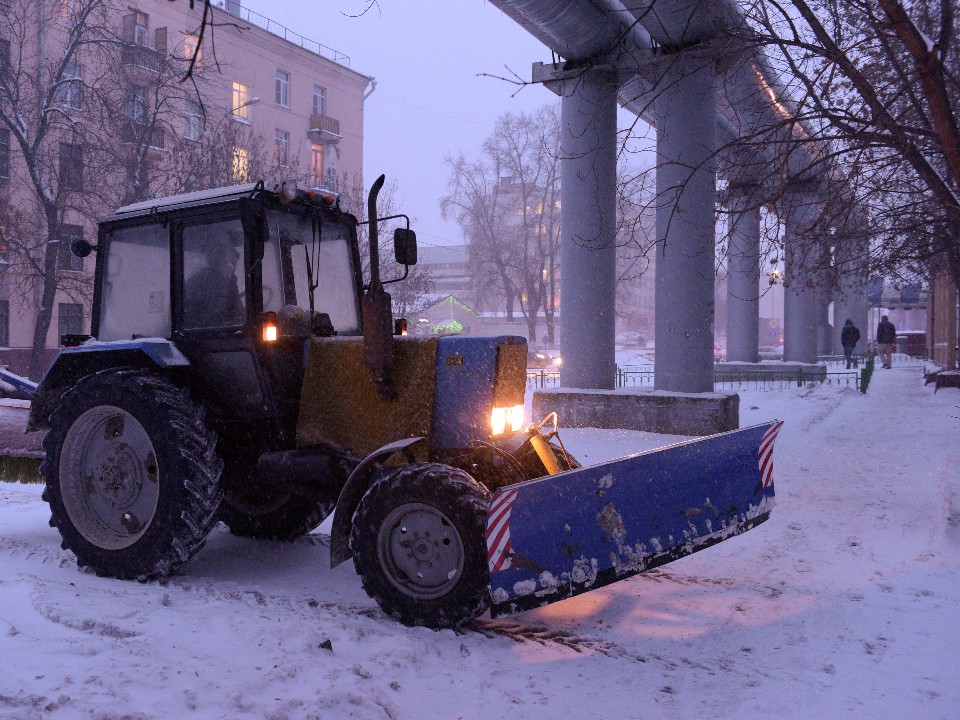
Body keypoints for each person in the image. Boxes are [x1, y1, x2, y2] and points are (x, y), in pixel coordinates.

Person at [184, 236, 243, 328]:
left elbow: (236, 308)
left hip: (223, 332)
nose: (232, 268)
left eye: (234, 264)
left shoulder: (230, 282)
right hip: (203, 334)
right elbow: (195, 313)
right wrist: (221, 322)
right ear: (219, 260)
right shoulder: (202, 280)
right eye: (230, 263)